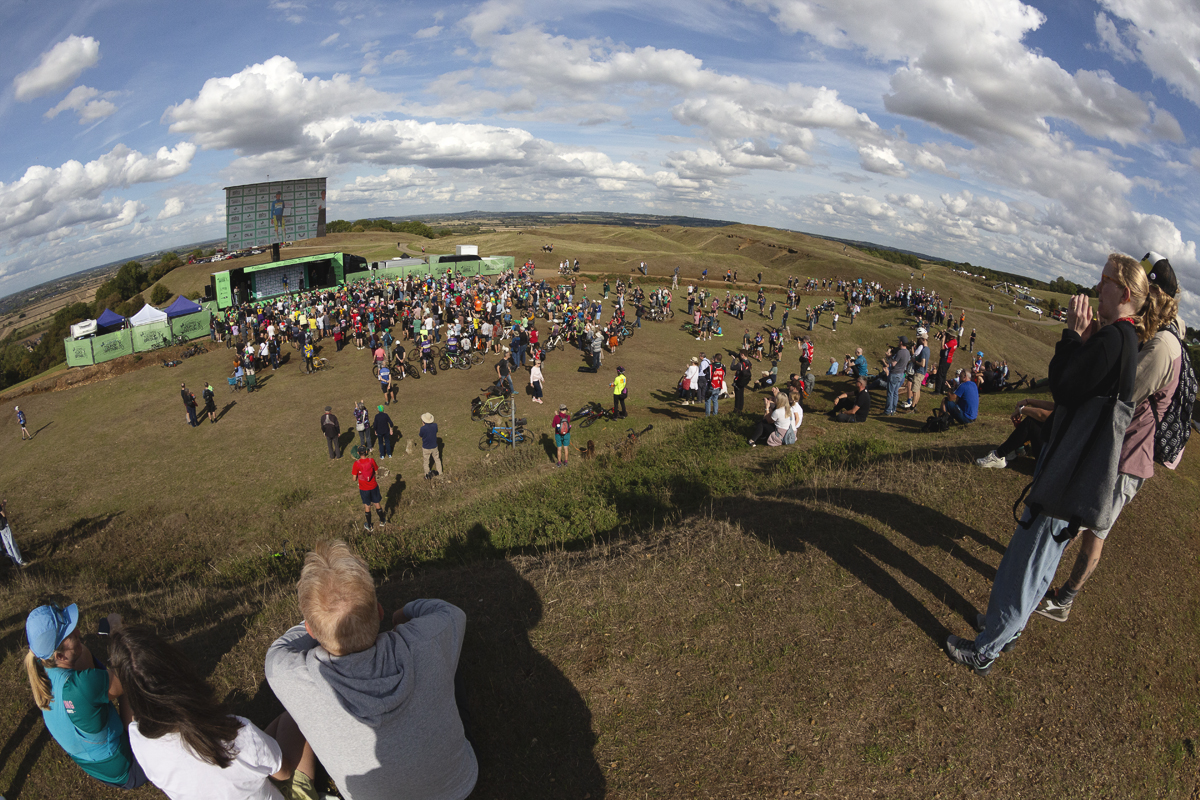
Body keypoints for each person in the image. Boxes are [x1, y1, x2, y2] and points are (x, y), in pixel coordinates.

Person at [946, 253, 1147, 676]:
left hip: (1067, 475)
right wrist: (1091, 339)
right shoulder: (1126, 340)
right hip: (1080, 474)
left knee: (1025, 561)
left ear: (1124, 292)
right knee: (1042, 560)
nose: (1097, 288)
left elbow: (1064, 386)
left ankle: (988, 647)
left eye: (1105, 281)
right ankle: (1007, 627)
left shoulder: (1114, 340)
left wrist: (1073, 337)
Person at [1036, 252, 1186, 624]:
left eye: (1148, 290)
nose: (1142, 296)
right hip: (1119, 447)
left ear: (1160, 295)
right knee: (1082, 523)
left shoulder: (1164, 345)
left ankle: (1063, 598)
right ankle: (1046, 579)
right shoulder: (1157, 334)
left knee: (1094, 530)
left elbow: (1123, 395)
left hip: (1128, 454)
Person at [264, 540, 478, 800]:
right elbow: (448, 611)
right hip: (457, 787)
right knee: (446, 659)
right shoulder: (429, 639)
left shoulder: (286, 674)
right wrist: (403, 614)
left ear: (310, 631)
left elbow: (281, 647)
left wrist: (321, 622)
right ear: (379, 611)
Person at [107, 624, 317, 800]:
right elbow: (285, 772)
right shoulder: (235, 732)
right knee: (297, 717)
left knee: (276, 731)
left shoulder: (138, 738)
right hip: (263, 775)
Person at [23, 603, 148, 789]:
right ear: (59, 656)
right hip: (129, 769)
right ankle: (142, 741)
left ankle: (107, 687)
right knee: (134, 680)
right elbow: (133, 670)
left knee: (82, 654)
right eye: (70, 635)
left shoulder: (43, 669)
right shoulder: (81, 686)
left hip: (101, 767)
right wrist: (116, 630)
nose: (79, 631)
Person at [976, 398, 1054, 468]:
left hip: (1056, 462)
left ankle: (998, 456)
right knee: (1035, 422)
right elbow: (1055, 407)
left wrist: (1021, 409)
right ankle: (1014, 448)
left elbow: (1045, 415)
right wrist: (1028, 401)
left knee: (1031, 422)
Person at [351, 446, 385, 531]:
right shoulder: (371, 460)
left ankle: (369, 525)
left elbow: (354, 479)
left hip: (364, 488)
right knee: (377, 503)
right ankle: (382, 521)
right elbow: (377, 472)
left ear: (358, 453)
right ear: (366, 452)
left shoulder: (356, 464)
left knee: (367, 506)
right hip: (373, 486)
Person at [884, 336, 911, 415]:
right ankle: (893, 410)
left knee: (890, 393)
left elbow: (893, 363)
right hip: (901, 374)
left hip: (895, 374)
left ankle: (888, 411)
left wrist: (888, 358)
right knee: (895, 392)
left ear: (901, 342)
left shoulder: (900, 352)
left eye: (899, 341)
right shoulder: (907, 352)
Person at [1, 498, 28, 567]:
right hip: (4, 526)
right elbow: (4, 515)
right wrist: (3, 506)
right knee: (13, 544)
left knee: (7, 546)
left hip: (0, 530)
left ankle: (13, 561)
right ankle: (19, 561)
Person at [420, 412, 442, 479]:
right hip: (434, 446)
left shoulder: (423, 428)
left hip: (426, 447)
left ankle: (427, 475)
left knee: (426, 461)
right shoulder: (435, 425)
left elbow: (421, 435)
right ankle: (440, 473)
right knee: (437, 459)